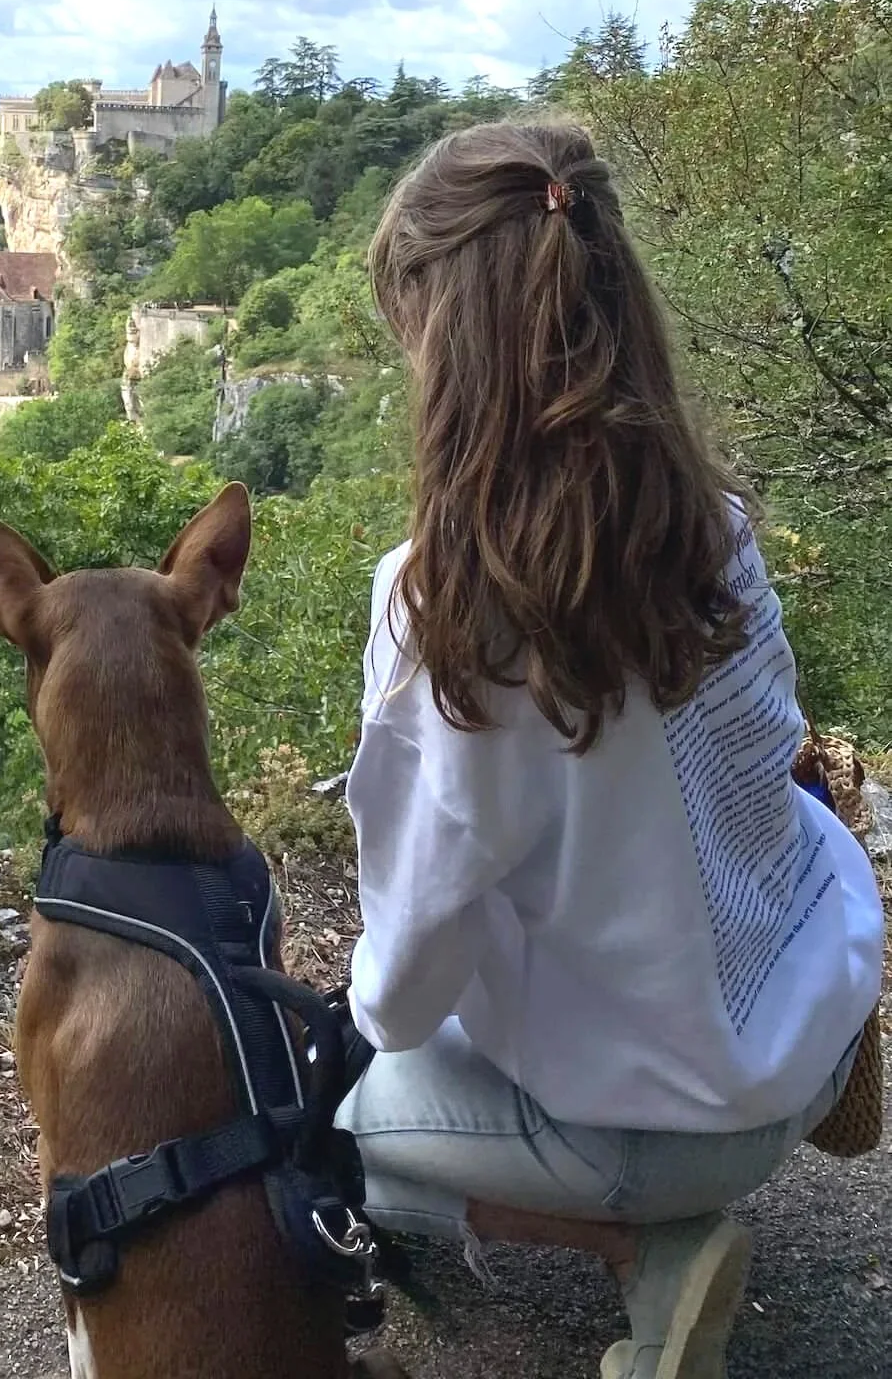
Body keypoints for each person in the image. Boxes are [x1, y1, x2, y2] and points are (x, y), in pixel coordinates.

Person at [335, 120, 884, 1379]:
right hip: (822, 1030)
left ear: (441, 341)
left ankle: (650, 1260)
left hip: (659, 1128)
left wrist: (350, 1019)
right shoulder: (720, 531)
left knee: (296, 1124)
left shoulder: (442, 616)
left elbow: (407, 986)